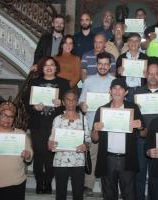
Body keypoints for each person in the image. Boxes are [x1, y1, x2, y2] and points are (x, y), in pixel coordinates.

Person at [91, 78, 146, 200]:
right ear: (109, 91)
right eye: (114, 88)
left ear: (126, 92)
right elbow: (94, 139)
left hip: (127, 159)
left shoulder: (133, 109)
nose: (117, 91)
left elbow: (144, 134)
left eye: (120, 88)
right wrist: (95, 130)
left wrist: (141, 126)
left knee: (129, 195)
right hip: (107, 159)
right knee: (109, 195)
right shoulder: (102, 110)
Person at [23, 57, 71, 194]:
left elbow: (71, 102)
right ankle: (39, 182)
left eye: (52, 65)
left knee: (51, 155)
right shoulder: (34, 82)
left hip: (55, 125)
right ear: (41, 68)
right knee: (38, 154)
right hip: (37, 124)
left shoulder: (63, 83)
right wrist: (34, 107)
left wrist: (61, 102)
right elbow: (25, 102)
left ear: (56, 68)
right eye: (46, 65)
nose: (49, 67)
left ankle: (48, 181)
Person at [78, 52, 116, 195]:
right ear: (96, 64)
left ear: (110, 65)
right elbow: (82, 100)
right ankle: (88, 185)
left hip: (110, 125)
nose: (103, 67)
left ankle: (108, 185)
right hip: (92, 124)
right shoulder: (88, 80)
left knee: (108, 156)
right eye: (100, 64)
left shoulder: (114, 82)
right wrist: (82, 105)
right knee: (92, 155)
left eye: (106, 64)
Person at [48, 90, 91, 200]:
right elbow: (51, 141)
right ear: (63, 102)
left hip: (78, 160)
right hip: (60, 160)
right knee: (60, 193)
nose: (71, 102)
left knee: (78, 193)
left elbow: (88, 139)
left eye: (74, 100)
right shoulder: (57, 119)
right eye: (68, 99)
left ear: (77, 102)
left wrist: (85, 146)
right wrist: (51, 144)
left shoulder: (83, 119)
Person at [134, 63, 158, 200]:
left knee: (157, 177)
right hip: (141, 140)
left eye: (155, 73)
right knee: (139, 175)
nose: (153, 76)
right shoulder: (137, 94)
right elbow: (132, 116)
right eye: (150, 73)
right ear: (146, 75)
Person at [116, 33, 148, 101]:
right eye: (131, 40)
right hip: (126, 92)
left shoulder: (145, 58)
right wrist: (118, 72)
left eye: (136, 40)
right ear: (127, 42)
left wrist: (147, 75)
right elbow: (116, 77)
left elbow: (149, 77)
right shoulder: (121, 58)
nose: (134, 43)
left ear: (139, 43)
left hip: (140, 90)